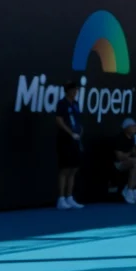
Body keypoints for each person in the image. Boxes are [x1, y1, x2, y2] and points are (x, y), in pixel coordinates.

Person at [55, 82, 85, 210]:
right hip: (65, 140)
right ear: (67, 91)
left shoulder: (76, 104)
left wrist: (79, 131)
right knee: (65, 170)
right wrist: (70, 133)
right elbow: (59, 120)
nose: (75, 92)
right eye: (73, 90)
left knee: (74, 169)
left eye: (77, 90)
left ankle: (69, 197)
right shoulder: (62, 103)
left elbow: (77, 120)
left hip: (76, 140)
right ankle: (61, 199)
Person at [110, 118, 136, 204]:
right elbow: (119, 157)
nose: (135, 127)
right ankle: (129, 190)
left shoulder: (134, 139)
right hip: (118, 164)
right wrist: (131, 151)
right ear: (126, 128)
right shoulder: (119, 138)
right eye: (133, 126)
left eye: (135, 125)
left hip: (131, 162)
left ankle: (132, 190)